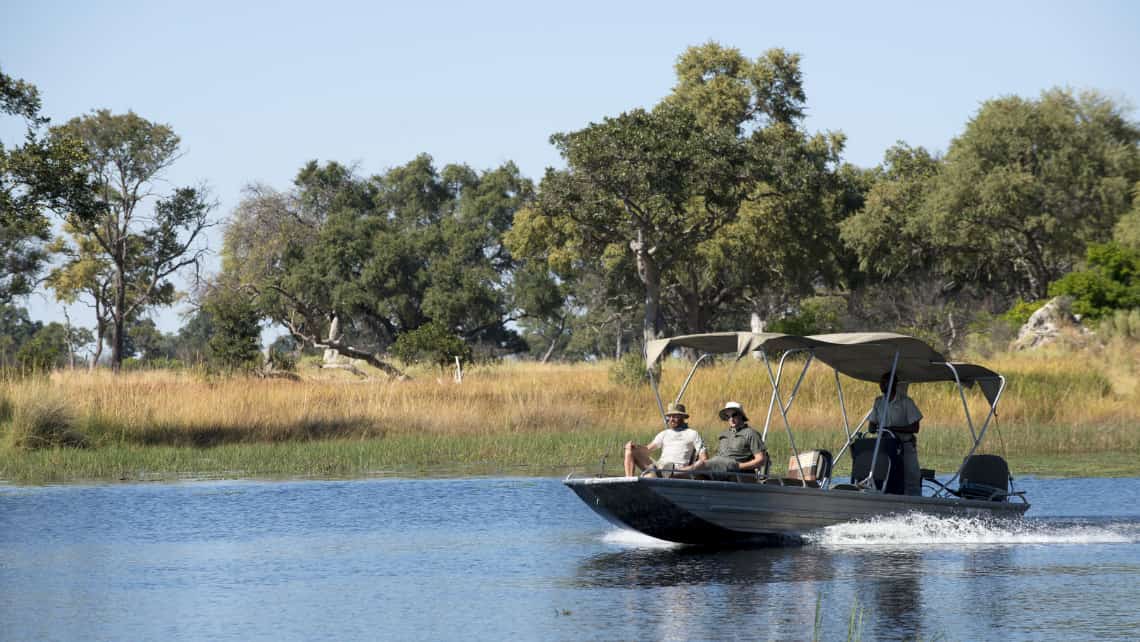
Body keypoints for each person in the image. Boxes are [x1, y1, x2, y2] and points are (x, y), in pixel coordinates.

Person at [867, 372, 923, 496]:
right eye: (880, 382)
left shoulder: (906, 402)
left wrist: (892, 429)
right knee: (886, 475)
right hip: (886, 447)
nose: (880, 385)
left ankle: (915, 502)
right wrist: (874, 426)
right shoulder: (878, 402)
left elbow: (915, 427)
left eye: (884, 382)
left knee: (911, 477)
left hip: (905, 446)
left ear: (893, 384)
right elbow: (871, 426)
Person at [680, 401, 767, 475]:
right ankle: (677, 479)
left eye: (734, 415)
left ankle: (675, 473)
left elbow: (761, 460)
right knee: (698, 474)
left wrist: (738, 466)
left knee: (701, 464)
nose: (731, 419)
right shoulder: (724, 434)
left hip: (735, 468)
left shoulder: (751, 433)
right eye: (728, 416)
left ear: (741, 415)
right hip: (720, 466)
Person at [623, 402, 708, 476]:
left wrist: (691, 468)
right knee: (630, 450)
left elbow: (704, 458)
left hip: (678, 470)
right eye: (670, 416)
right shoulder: (664, 433)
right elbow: (647, 449)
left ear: (682, 417)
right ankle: (629, 483)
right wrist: (635, 446)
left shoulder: (692, 433)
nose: (671, 419)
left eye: (675, 416)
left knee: (651, 476)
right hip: (659, 468)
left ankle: (657, 476)